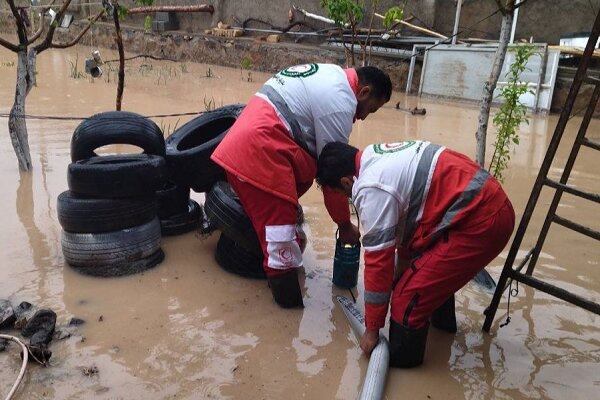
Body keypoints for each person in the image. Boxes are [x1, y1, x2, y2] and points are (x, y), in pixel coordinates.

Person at [316, 140, 515, 367]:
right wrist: (404, 266)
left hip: (482, 221)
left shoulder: (371, 189)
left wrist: (372, 330)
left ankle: (405, 367)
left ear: (346, 181)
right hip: (484, 205)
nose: (345, 198)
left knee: (406, 301)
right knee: (420, 277)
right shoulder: (374, 155)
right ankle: (443, 333)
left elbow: (378, 263)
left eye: (339, 193)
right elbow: (410, 217)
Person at [211, 63, 392, 309]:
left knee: (285, 220)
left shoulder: (330, 74)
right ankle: (288, 323)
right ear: (363, 92)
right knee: (283, 249)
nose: (362, 117)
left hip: (240, 146)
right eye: (369, 110)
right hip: (262, 155)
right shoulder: (340, 103)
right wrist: (344, 225)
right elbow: (334, 175)